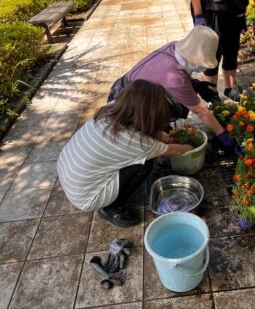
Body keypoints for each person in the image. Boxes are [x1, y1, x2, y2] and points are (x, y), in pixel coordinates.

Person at [57, 80, 194, 227]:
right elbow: (175, 150)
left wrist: (168, 138)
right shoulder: (137, 142)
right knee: (145, 164)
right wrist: (191, 147)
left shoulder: (112, 109)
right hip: (87, 197)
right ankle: (111, 207)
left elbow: (149, 131)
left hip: (68, 171)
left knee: (136, 157)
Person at [108, 26, 238, 156]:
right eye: (203, 62)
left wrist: (196, 85)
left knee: (169, 111)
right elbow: (201, 111)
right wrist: (223, 135)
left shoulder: (174, 47)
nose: (202, 67)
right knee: (150, 131)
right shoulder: (175, 78)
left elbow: (166, 77)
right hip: (125, 103)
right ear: (193, 58)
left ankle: (159, 132)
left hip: (127, 88)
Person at [190, 0, 255, 101]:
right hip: (210, 10)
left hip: (236, 8)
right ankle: (211, 92)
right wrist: (198, 15)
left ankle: (230, 87)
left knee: (232, 49)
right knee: (212, 54)